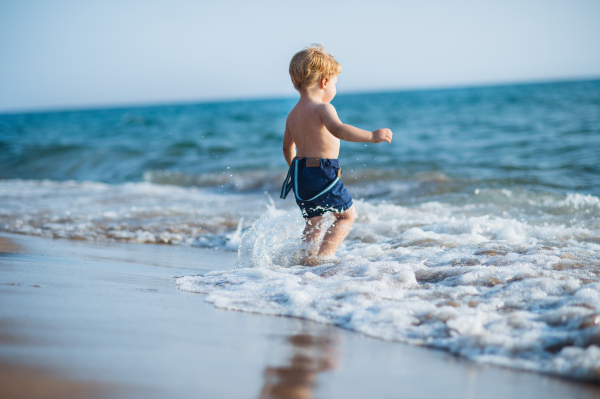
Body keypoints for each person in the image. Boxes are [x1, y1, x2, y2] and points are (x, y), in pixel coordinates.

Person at [280, 44, 393, 265]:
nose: (334, 89)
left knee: (313, 221)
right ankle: (324, 257)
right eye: (335, 83)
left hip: (300, 173)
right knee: (346, 215)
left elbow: (286, 147)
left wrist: (295, 170)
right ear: (324, 82)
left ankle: (306, 259)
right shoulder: (323, 109)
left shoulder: (292, 114)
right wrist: (371, 136)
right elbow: (339, 130)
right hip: (322, 171)